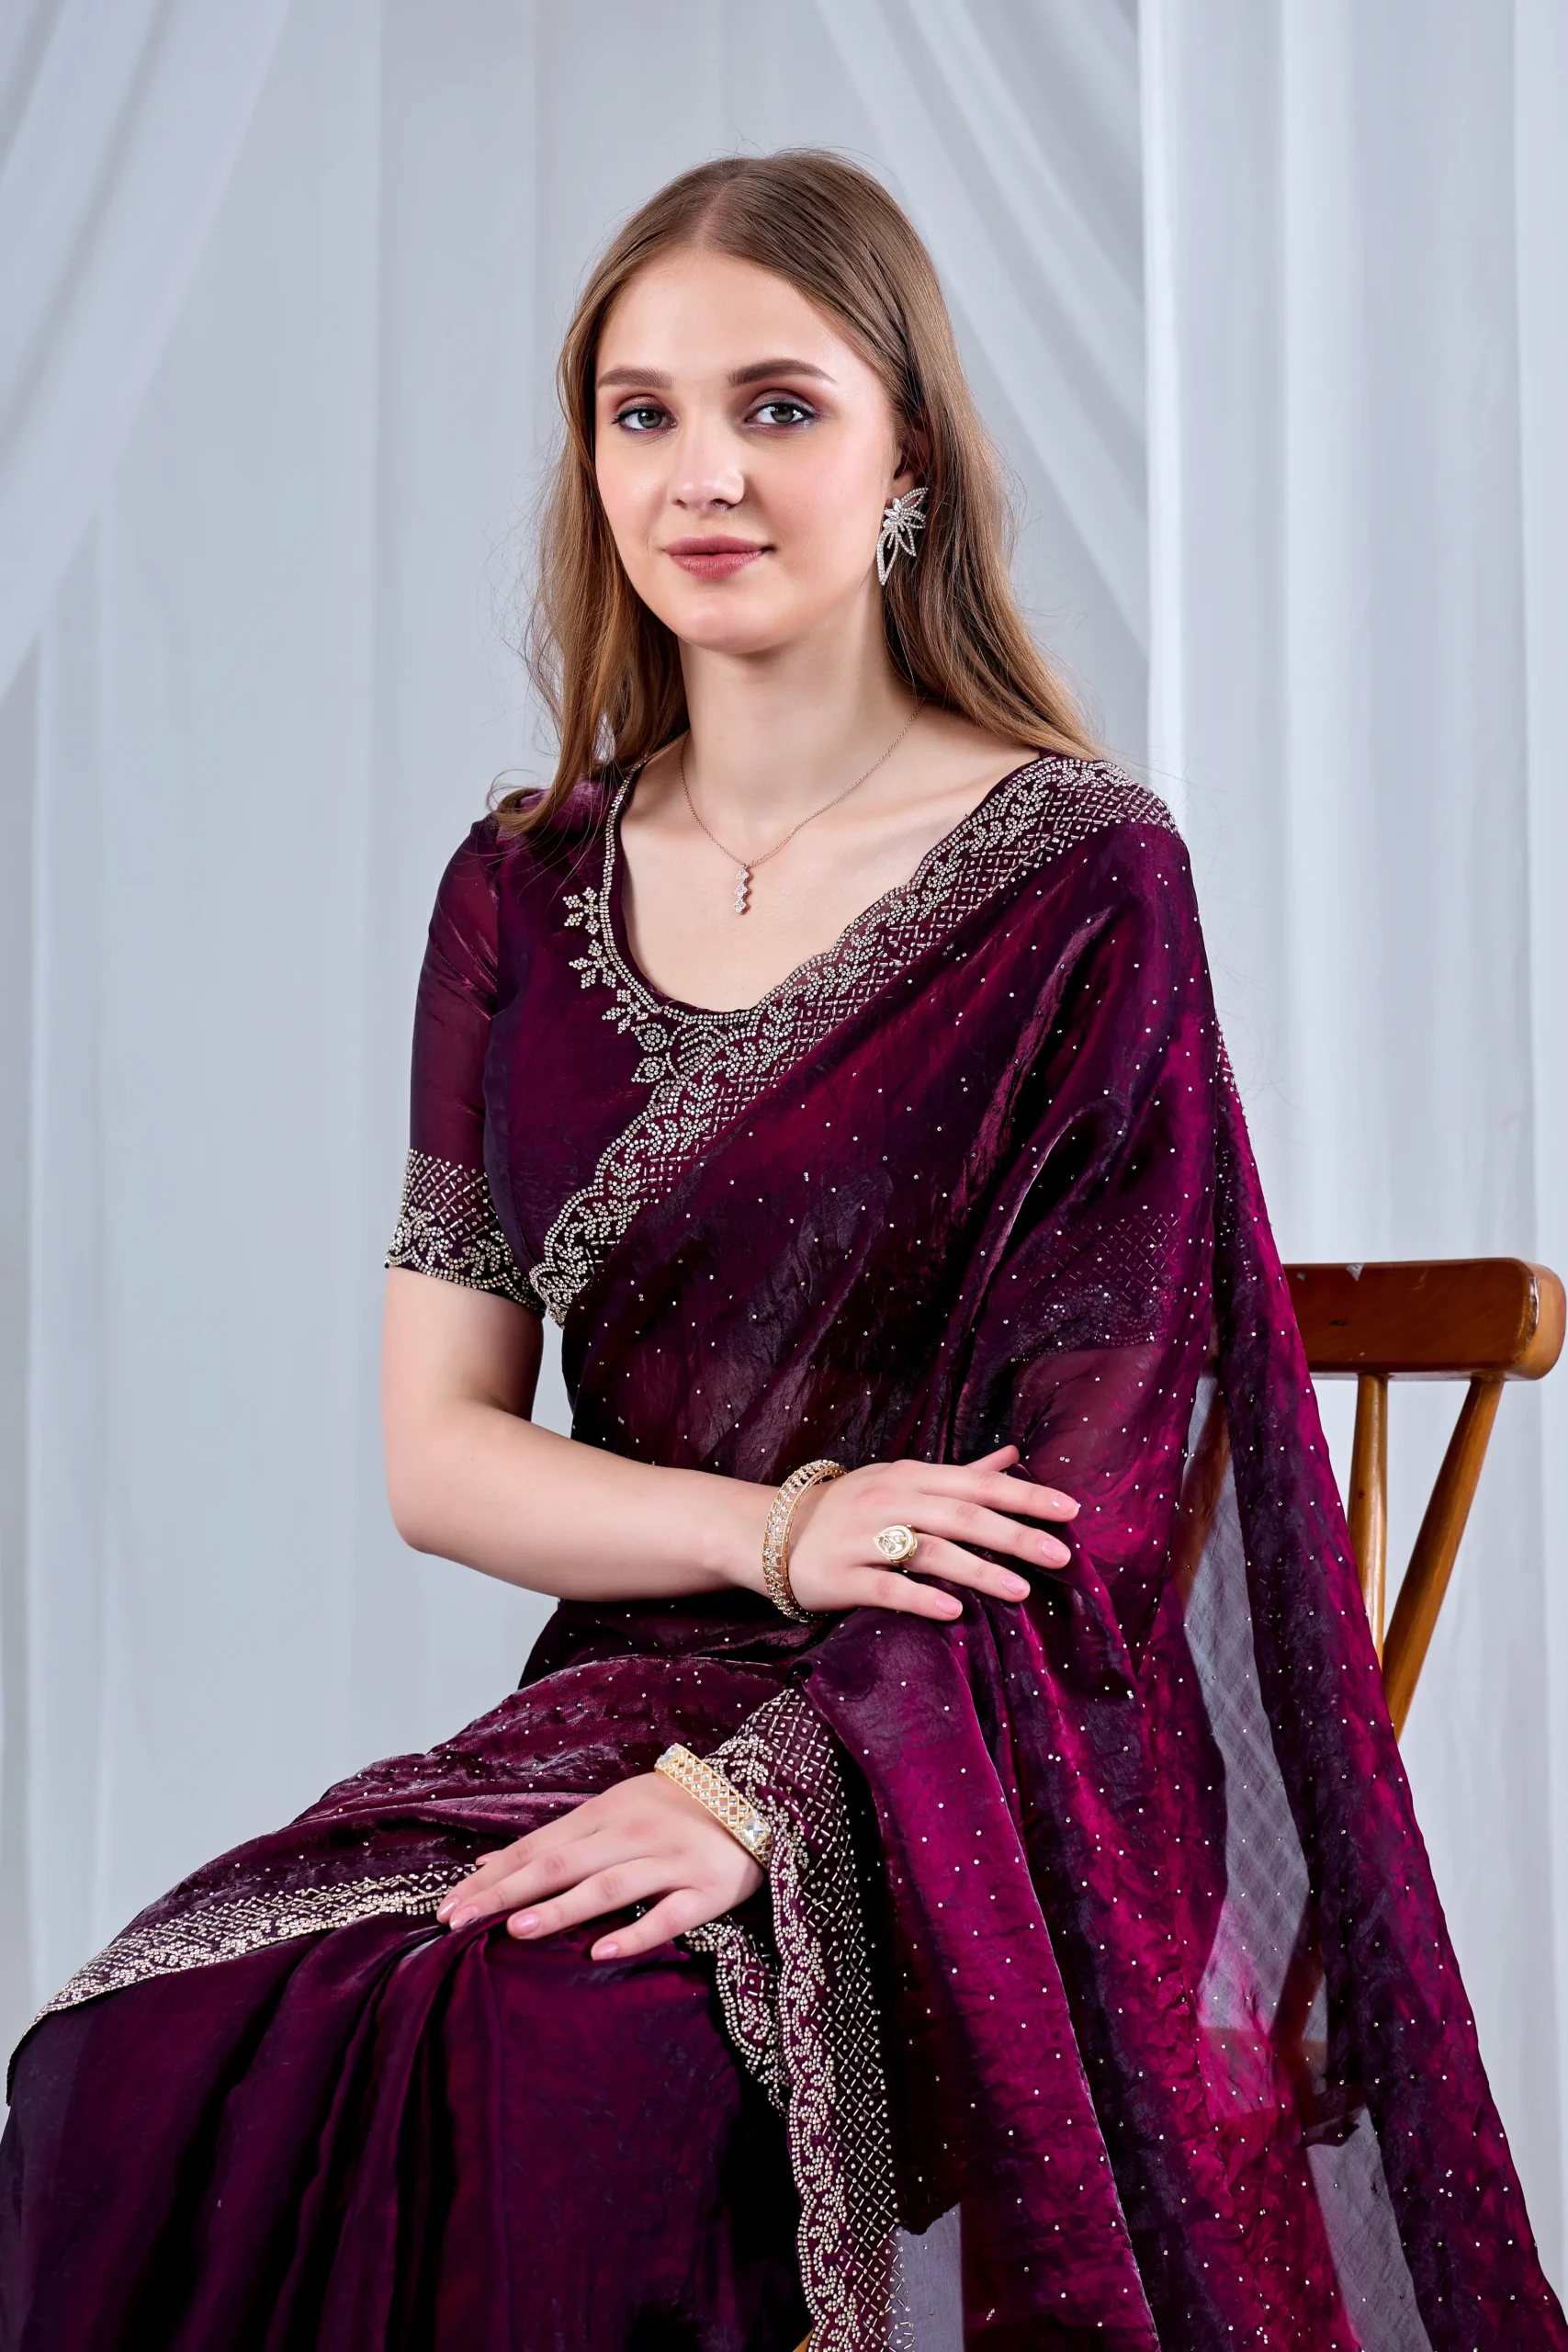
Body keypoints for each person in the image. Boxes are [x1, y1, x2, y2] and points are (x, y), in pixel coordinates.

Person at [1, 149, 1561, 2352]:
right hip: (611, 1694)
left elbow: (1090, 1506)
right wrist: (779, 1528)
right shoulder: (517, 891)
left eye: (777, 406)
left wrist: (769, 1801)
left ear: (908, 455)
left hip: (979, 1748)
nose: (701, 473)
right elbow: (443, 1456)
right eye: (639, 413)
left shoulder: (1080, 880)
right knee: (129, 2050)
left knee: (563, 2054)